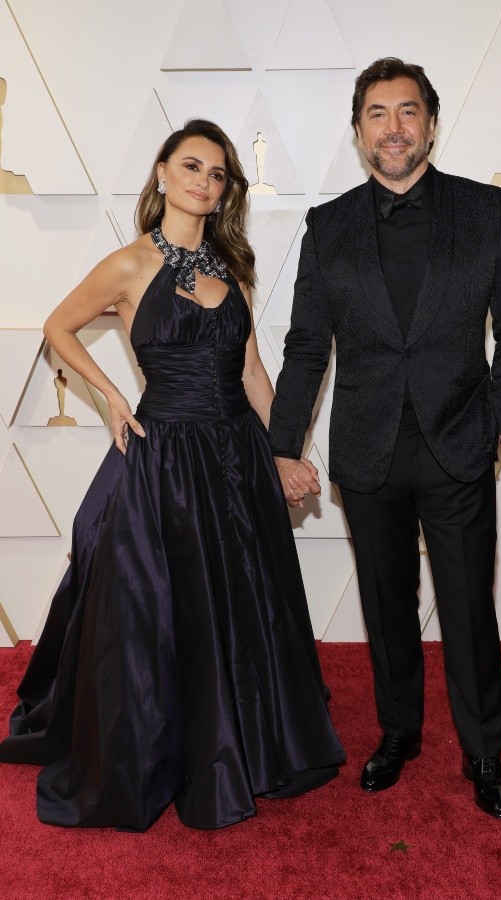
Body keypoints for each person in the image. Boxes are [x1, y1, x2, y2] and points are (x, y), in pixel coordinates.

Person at [0, 119, 344, 831]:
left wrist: (283, 452)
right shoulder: (129, 264)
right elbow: (58, 326)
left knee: (242, 599)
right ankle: (173, 746)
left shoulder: (232, 268)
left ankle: (245, 740)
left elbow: (252, 372)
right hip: (167, 460)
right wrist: (110, 395)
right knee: (164, 607)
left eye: (217, 175)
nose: (203, 182)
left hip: (237, 457)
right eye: (191, 166)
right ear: (161, 173)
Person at [269, 59, 501, 819]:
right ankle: (398, 734)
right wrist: (282, 445)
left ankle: (484, 752)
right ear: (359, 131)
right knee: (386, 607)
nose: (394, 128)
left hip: (458, 443)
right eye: (378, 114)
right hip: (368, 447)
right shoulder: (328, 226)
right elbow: (305, 346)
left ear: (431, 123)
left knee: (468, 607)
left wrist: (496, 420)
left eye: (408, 111)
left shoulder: (485, 210)